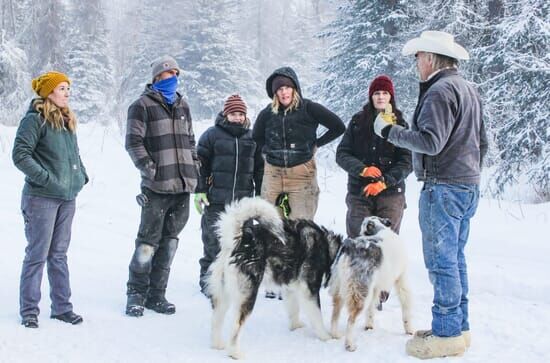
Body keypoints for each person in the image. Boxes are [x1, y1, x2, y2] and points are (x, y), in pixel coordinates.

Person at [373, 31, 488, 359]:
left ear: (429, 58)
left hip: (444, 186)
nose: (415, 64)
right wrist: (469, 172)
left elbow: (430, 142)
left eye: (417, 57)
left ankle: (446, 334)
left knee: (442, 263)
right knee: (456, 259)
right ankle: (457, 327)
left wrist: (389, 132)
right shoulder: (468, 89)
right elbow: (484, 142)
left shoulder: (439, 91)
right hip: (467, 184)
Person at [124, 55, 199, 317]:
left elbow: (190, 141)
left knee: (169, 244)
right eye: (169, 74)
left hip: (182, 187)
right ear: (157, 77)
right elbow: (133, 142)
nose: (174, 78)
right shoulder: (141, 106)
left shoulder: (183, 105)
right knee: (147, 242)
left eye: (176, 73)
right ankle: (136, 293)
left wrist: (194, 166)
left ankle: (157, 294)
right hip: (156, 188)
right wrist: (149, 169)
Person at [12, 71, 88, 328]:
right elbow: (20, 155)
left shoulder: (67, 120)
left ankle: (62, 308)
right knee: (37, 254)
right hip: (41, 198)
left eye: (68, 88)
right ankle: (30, 310)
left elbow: (73, 155)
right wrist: (45, 179)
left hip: (67, 197)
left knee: (58, 254)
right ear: (49, 92)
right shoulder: (35, 120)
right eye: (62, 88)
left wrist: (81, 176)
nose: (67, 92)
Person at [252, 66, 345, 220]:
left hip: (301, 175)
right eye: (280, 89)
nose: (284, 92)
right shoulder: (267, 113)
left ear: (295, 88)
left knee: (301, 228)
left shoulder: (309, 108)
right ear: (275, 93)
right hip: (273, 176)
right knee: (270, 227)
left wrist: (317, 144)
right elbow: (256, 137)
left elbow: (338, 127)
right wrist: (267, 151)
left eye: (287, 87)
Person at [194, 94, 263, 296]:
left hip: (243, 203)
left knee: (243, 244)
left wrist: (259, 195)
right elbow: (200, 165)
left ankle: (238, 282)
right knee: (213, 243)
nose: (238, 117)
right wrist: (200, 190)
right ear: (226, 114)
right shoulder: (211, 135)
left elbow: (260, 169)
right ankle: (209, 283)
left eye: (241, 114)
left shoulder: (253, 139)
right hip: (216, 200)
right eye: (234, 113)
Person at [336, 74, 412, 237]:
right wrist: (362, 169)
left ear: (391, 96)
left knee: (386, 245)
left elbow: (407, 162)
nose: (381, 97)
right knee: (357, 244)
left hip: (391, 194)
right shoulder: (357, 122)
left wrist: (384, 182)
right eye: (377, 93)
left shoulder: (400, 124)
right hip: (359, 193)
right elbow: (342, 154)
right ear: (371, 96)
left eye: (385, 93)